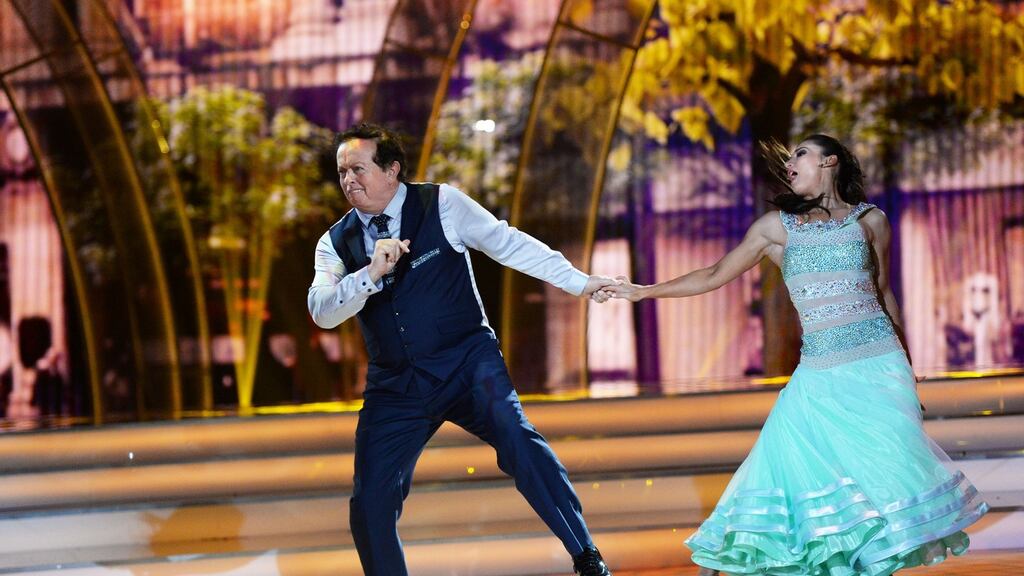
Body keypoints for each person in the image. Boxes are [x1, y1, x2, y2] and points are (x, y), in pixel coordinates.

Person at [601, 134, 988, 575]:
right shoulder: (776, 228)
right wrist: (642, 291)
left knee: (884, 483)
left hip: (880, 366)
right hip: (819, 376)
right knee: (791, 473)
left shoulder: (872, 220)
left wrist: (907, 372)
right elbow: (713, 274)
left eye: (801, 154)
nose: (790, 164)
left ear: (829, 161)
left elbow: (883, 292)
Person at [307, 123, 615, 576]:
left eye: (358, 169)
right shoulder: (335, 242)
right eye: (342, 172)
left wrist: (580, 283)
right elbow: (321, 311)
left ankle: (586, 555)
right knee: (370, 500)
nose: (348, 180)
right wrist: (368, 275)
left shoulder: (442, 203)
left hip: (468, 365)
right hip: (396, 386)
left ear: (392, 170)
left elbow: (508, 243)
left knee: (518, 439)